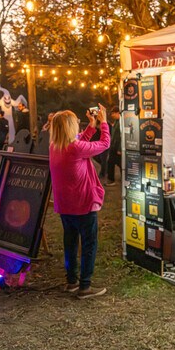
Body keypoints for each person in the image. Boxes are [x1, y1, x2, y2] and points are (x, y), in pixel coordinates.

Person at [49, 104, 110, 299]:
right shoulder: (74, 147)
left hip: (65, 206)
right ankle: (85, 286)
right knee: (89, 244)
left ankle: (72, 281)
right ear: (69, 127)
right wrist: (104, 123)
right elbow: (104, 144)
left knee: (70, 242)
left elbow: (80, 144)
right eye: (75, 122)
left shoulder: (55, 147)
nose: (78, 124)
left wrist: (91, 126)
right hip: (83, 205)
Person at [105, 106, 122, 186]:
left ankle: (111, 180)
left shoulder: (122, 122)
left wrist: (120, 149)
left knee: (116, 163)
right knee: (113, 163)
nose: (112, 115)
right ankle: (112, 179)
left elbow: (122, 136)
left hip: (117, 147)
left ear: (118, 112)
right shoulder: (116, 121)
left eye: (113, 113)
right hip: (113, 146)